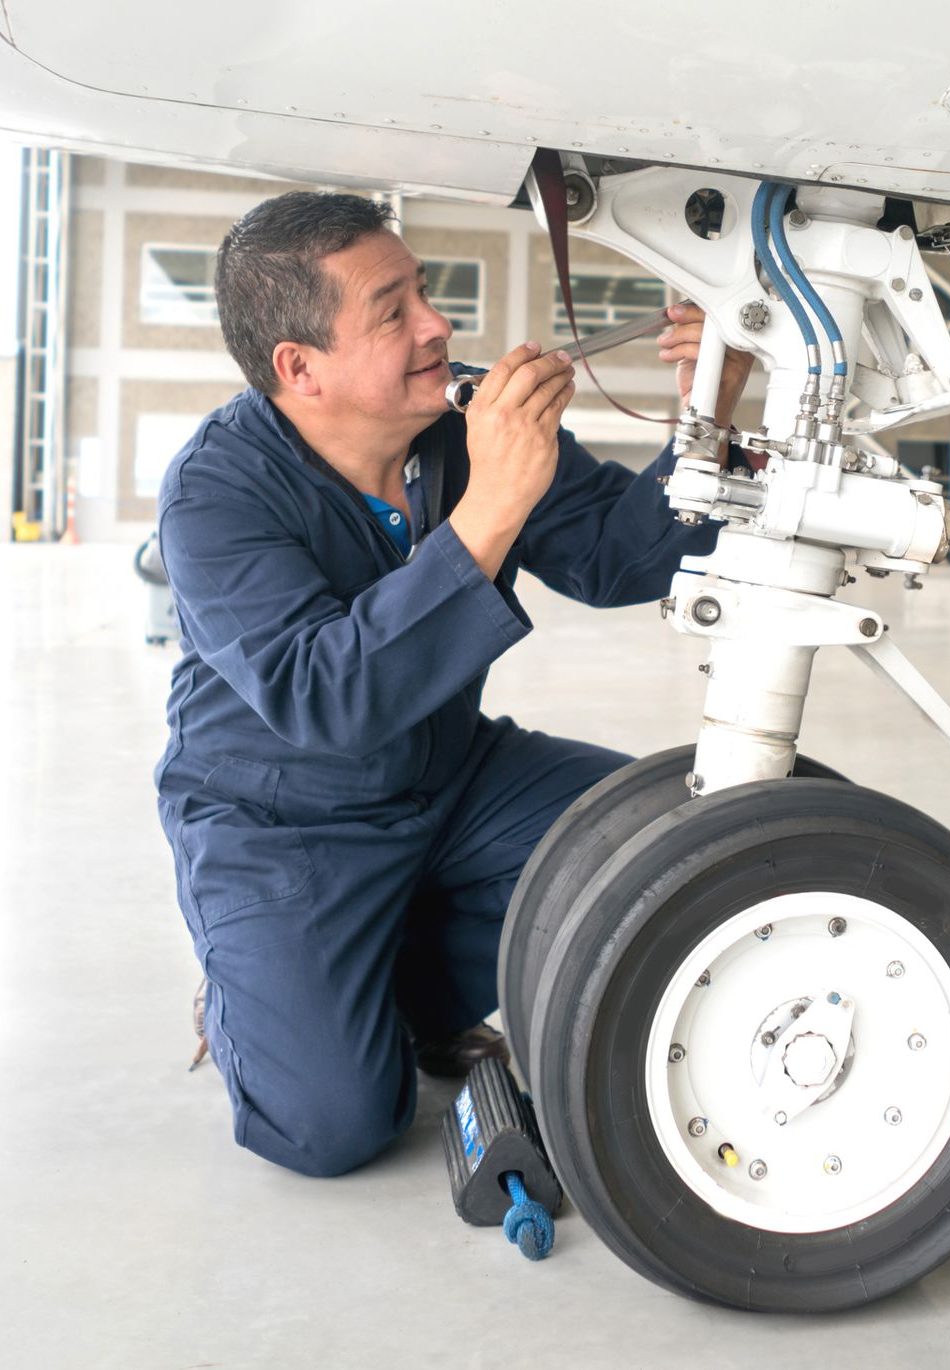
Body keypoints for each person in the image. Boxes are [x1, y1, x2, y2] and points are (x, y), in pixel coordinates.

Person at [155, 191, 750, 1175]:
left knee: (659, 838)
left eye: (422, 291)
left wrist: (708, 410)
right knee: (334, 1124)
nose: (436, 324)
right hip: (283, 815)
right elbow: (324, 697)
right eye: (392, 311)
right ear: (297, 367)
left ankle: (391, 979)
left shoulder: (458, 418)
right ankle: (251, 990)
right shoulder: (215, 492)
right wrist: (496, 502)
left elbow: (619, 558)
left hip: (447, 776)